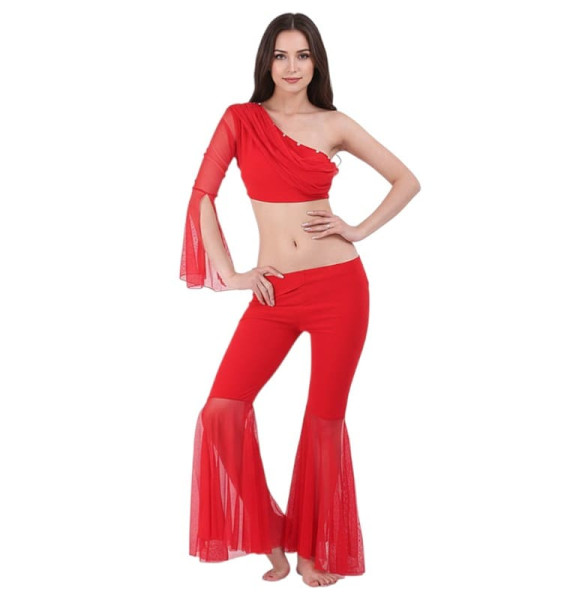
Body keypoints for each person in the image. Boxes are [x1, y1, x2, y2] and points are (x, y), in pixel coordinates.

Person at [180, 12, 421, 588]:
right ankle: (269, 535)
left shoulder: (333, 123)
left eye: (303, 55)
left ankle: (315, 551)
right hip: (274, 292)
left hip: (340, 288)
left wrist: (357, 229)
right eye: (282, 55)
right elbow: (203, 196)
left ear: (317, 62)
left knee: (323, 419)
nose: (292, 67)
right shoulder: (240, 119)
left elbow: (406, 180)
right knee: (221, 410)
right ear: (267, 60)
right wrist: (232, 274)